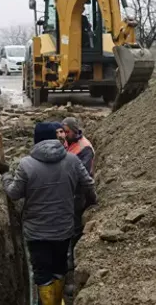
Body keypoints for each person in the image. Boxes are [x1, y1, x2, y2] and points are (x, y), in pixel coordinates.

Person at [0, 122, 97, 305]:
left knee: (42, 273)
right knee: (59, 268)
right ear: (55, 138)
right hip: (63, 229)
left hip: (36, 233)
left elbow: (13, 193)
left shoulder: (26, 165)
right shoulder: (72, 161)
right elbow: (88, 185)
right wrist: (93, 203)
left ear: (36, 141)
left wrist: (5, 175)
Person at [60, 117, 94, 300]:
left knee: (74, 231)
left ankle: (70, 273)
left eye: (67, 131)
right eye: (63, 131)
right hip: (65, 193)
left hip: (77, 195)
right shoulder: (67, 143)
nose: (65, 134)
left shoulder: (85, 148)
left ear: (75, 130)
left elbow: (85, 177)